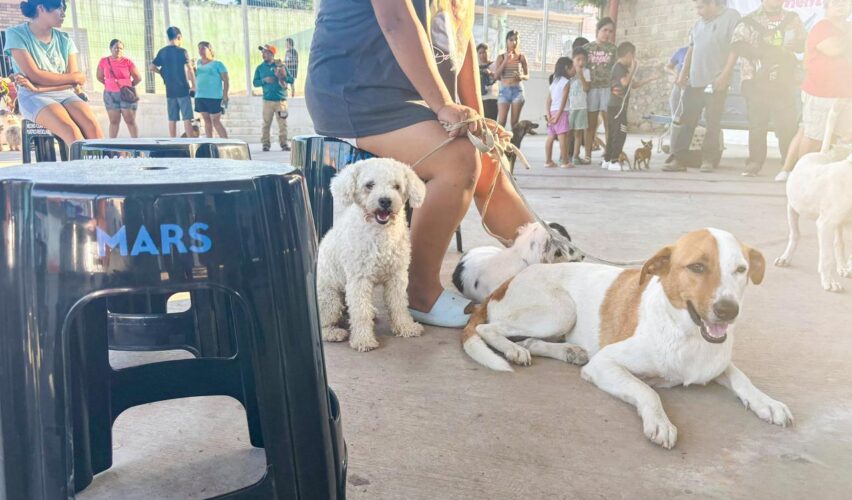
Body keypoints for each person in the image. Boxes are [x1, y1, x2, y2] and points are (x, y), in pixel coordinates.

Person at [306, 1, 536, 328]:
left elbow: (461, 34)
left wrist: (476, 118)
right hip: (357, 93)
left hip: (411, 96)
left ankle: (547, 268)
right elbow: (396, 19)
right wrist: (442, 104)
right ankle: (419, 292)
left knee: (487, 156)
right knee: (457, 158)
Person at [3, 0, 103, 145]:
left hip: (62, 93)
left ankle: (106, 161)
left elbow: (75, 80)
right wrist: (69, 79)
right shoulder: (16, 34)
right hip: (33, 96)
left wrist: (39, 87)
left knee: (93, 126)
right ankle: (82, 161)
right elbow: (35, 75)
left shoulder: (64, 39)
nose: (64, 14)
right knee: (70, 130)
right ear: (41, 8)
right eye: (59, 9)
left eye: (64, 9)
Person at [776, 0, 852, 182]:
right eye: (836, 4)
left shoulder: (848, 28)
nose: (842, 6)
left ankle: (791, 171)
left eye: (845, 3)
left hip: (845, 92)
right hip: (821, 93)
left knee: (841, 135)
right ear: (826, 7)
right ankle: (802, 175)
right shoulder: (822, 27)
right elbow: (834, 49)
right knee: (813, 138)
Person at [665, 0, 741, 173]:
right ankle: (678, 159)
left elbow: (735, 49)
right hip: (694, 81)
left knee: (712, 122)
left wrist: (725, 75)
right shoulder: (697, 25)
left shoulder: (731, 17)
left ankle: (708, 160)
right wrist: (683, 74)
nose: (698, 12)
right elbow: (691, 50)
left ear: (712, 3)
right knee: (686, 119)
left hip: (716, 81)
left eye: (701, 7)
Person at [732, 0, 805, 177]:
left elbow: (803, 43)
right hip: (755, 80)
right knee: (757, 124)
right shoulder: (748, 20)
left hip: (783, 80)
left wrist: (794, 45)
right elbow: (737, 45)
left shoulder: (792, 18)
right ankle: (754, 163)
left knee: (787, 124)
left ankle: (788, 164)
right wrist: (765, 53)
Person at [603, 42, 658, 171]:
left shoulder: (622, 68)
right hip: (617, 106)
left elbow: (633, 85)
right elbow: (624, 82)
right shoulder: (619, 67)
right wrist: (633, 68)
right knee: (620, 133)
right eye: (633, 55)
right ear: (629, 55)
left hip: (615, 106)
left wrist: (650, 79)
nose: (634, 58)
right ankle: (614, 161)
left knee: (613, 133)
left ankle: (607, 160)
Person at [150, 26, 196, 138]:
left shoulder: (162, 52)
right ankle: (190, 141)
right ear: (179, 37)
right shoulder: (182, 51)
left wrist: (162, 73)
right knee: (187, 118)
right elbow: (190, 69)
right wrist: (194, 85)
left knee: (172, 118)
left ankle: (172, 141)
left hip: (170, 90)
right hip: (183, 89)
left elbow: (152, 67)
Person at [583, 18, 617, 165]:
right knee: (591, 124)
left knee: (609, 123)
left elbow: (617, 69)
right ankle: (587, 155)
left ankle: (608, 154)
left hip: (607, 89)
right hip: (591, 90)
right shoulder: (587, 48)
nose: (607, 34)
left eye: (610, 31)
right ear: (598, 30)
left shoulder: (614, 49)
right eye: (605, 30)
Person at [96, 39, 141, 138]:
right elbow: (99, 76)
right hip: (110, 95)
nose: (118, 50)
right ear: (110, 48)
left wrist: (127, 85)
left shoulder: (127, 62)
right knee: (114, 121)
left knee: (130, 121)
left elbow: (138, 78)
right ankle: (112, 144)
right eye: (116, 48)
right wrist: (109, 84)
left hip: (126, 94)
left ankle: (136, 144)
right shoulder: (104, 61)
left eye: (120, 48)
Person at [253, 44, 293, 152]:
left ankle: (284, 144)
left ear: (272, 54)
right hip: (267, 101)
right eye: (262, 53)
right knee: (266, 124)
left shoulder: (281, 65)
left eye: (266, 52)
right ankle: (265, 144)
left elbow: (291, 79)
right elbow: (255, 83)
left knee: (283, 124)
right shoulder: (260, 68)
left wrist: (281, 76)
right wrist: (264, 80)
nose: (263, 54)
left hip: (281, 101)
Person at [493, 30, 529, 128]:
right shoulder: (501, 57)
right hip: (504, 90)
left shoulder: (521, 57)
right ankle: (500, 138)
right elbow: (496, 76)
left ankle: (515, 139)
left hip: (517, 90)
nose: (514, 42)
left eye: (516, 39)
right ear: (506, 41)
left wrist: (521, 77)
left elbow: (527, 75)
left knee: (514, 123)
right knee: (501, 122)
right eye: (511, 40)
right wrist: (505, 61)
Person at [194, 41, 229, 138]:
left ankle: (226, 142)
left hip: (214, 97)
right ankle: (210, 142)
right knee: (206, 121)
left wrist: (225, 95)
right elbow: (195, 77)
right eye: (199, 48)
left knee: (216, 121)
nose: (200, 50)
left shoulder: (218, 64)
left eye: (203, 48)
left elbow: (226, 81)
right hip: (200, 96)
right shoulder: (198, 63)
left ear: (210, 50)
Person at [545, 57, 573, 169]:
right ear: (566, 68)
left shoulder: (554, 81)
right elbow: (563, 101)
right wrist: (558, 115)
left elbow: (548, 100)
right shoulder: (566, 82)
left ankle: (548, 161)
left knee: (550, 137)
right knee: (563, 138)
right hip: (561, 112)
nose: (574, 70)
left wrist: (549, 115)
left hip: (552, 111)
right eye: (572, 67)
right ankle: (565, 162)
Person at [664, 45, 688, 162]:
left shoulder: (701, 51)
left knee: (687, 120)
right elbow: (667, 67)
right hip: (678, 87)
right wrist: (675, 74)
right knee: (675, 119)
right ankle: (673, 150)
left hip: (691, 88)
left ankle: (682, 150)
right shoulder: (682, 51)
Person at [569, 47, 591, 165]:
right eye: (578, 59)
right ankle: (564, 155)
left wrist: (581, 76)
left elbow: (587, 88)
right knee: (567, 132)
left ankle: (576, 156)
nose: (581, 62)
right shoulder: (568, 71)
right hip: (569, 108)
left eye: (583, 59)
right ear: (572, 59)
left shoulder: (586, 72)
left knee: (578, 133)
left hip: (581, 107)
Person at [477, 43, 498, 120]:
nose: (482, 55)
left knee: (492, 122)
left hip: (492, 98)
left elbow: (500, 78)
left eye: (484, 52)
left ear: (488, 52)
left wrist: (490, 73)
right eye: (480, 53)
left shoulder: (494, 64)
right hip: (480, 99)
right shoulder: (475, 67)